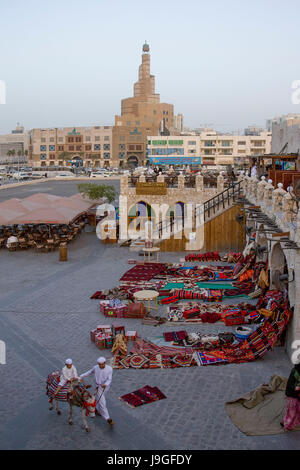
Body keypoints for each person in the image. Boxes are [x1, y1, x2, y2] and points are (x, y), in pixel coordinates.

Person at [80, 357, 114, 426]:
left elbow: (109, 379)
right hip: (98, 387)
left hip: (106, 387)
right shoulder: (95, 367)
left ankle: (97, 409)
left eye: (102, 364)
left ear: (105, 363)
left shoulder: (110, 369)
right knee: (102, 403)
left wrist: (106, 384)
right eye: (99, 364)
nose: (100, 366)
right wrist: (81, 376)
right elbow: (89, 372)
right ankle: (108, 418)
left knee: (100, 398)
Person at [282, 363, 300, 431]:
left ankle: (295, 422)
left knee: (298, 409)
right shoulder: (295, 372)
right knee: (292, 411)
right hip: (292, 394)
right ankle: (287, 424)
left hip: (297, 395)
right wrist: (296, 387)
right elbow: (291, 385)